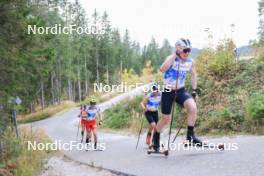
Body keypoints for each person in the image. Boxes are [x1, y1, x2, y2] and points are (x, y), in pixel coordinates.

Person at [153, 38, 202, 152]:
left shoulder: (190, 61)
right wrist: (175, 55)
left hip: (180, 91)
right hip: (167, 91)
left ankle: (190, 137)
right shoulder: (171, 59)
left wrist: (194, 91)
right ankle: (156, 139)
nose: (187, 53)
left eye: (189, 50)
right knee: (166, 119)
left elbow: (194, 75)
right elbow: (162, 69)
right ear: (178, 49)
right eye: (185, 50)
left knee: (192, 107)